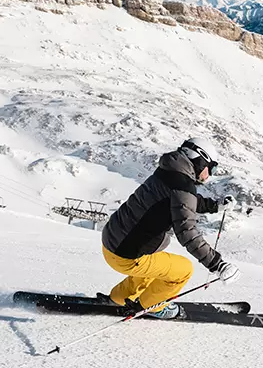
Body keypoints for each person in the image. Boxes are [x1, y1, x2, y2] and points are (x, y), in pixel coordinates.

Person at [102, 137, 240, 319]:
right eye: (212, 168)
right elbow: (187, 231)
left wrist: (216, 206)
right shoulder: (183, 185)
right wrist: (216, 264)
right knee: (183, 270)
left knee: (156, 265)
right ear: (200, 159)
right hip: (126, 255)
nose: (210, 175)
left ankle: (119, 297)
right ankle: (153, 307)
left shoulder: (168, 170)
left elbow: (183, 201)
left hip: (111, 241)